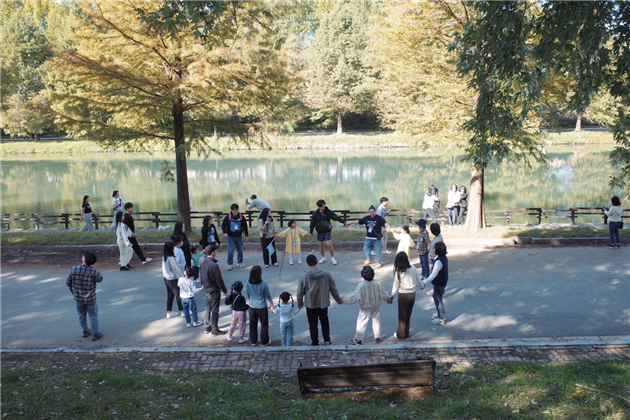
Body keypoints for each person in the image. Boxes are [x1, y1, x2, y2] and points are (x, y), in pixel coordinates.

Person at [297, 254, 343, 346]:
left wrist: (300, 303)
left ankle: (314, 341)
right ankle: (327, 340)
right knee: (324, 321)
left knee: (312, 324)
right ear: (317, 261)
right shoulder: (326, 273)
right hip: (323, 303)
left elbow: (300, 292)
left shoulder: (304, 276)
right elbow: (333, 288)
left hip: (310, 304)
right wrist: (338, 299)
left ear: (307, 264)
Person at [343, 266, 391, 345]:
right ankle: (377, 337)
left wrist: (344, 300)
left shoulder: (361, 285)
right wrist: (388, 299)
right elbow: (383, 293)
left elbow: (354, 297)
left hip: (365, 307)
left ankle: (358, 339)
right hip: (376, 305)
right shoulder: (377, 283)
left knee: (362, 322)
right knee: (376, 321)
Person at [66, 251, 103, 341]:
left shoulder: (74, 269)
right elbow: (100, 279)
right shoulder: (93, 271)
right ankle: (96, 333)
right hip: (90, 297)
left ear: (84, 260)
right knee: (93, 315)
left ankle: (85, 330)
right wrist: (96, 270)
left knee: (81, 315)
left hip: (78, 297)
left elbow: (68, 282)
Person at [389, 251, 424, 339]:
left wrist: (392, 296)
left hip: (403, 295)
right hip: (412, 294)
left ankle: (401, 334)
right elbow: (418, 279)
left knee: (402, 316)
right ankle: (407, 332)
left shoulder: (399, 272)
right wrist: (422, 286)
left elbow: (395, 285)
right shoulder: (413, 268)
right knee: (408, 314)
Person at [199, 244, 228, 335]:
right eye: (215, 251)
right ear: (212, 253)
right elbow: (219, 281)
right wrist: (225, 292)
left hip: (207, 289)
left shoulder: (203, 262)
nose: (216, 252)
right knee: (215, 310)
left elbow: (201, 274)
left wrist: (202, 284)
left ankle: (207, 326)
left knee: (208, 308)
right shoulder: (214, 266)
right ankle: (215, 329)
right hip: (214, 290)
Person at [308, 199, 346, 265]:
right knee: (321, 245)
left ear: (324, 205)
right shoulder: (315, 213)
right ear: (318, 207)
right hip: (319, 231)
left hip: (327, 231)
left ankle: (332, 257)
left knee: (329, 244)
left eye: (323, 206)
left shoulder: (328, 212)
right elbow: (312, 223)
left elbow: (335, 217)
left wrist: (344, 222)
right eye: (320, 207)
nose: (322, 208)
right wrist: (311, 232)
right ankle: (323, 257)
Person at [421, 242, 449, 325]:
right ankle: (440, 314)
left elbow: (433, 274)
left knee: (438, 299)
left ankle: (441, 318)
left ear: (437, 250)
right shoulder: (443, 258)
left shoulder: (438, 262)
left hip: (439, 283)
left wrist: (424, 282)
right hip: (441, 281)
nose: (433, 249)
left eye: (434, 248)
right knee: (436, 297)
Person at [246, 265, 274, 346]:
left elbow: (248, 294)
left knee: (253, 324)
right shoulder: (263, 284)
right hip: (262, 306)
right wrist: (271, 303)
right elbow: (267, 295)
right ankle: (264, 341)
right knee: (264, 325)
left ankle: (253, 340)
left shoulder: (248, 282)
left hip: (252, 306)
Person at [221, 203, 250, 271]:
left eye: (236, 210)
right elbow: (223, 225)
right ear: (231, 210)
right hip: (230, 236)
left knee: (240, 250)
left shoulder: (241, 217)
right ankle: (230, 264)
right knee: (230, 250)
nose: (235, 212)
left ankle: (240, 262)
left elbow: (245, 226)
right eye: (234, 210)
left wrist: (246, 235)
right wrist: (224, 232)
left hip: (239, 236)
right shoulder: (228, 217)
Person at [162, 241, 184, 319]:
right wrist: (182, 278)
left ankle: (169, 311)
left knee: (170, 295)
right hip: (173, 279)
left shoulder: (164, 257)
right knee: (178, 295)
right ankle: (182, 311)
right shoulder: (171, 258)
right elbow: (176, 269)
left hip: (166, 278)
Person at [425, 222, 444, 296]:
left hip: (436, 258)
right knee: (434, 273)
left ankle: (436, 290)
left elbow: (438, 249)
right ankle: (435, 289)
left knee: (435, 274)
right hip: (433, 257)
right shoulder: (436, 237)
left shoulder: (439, 239)